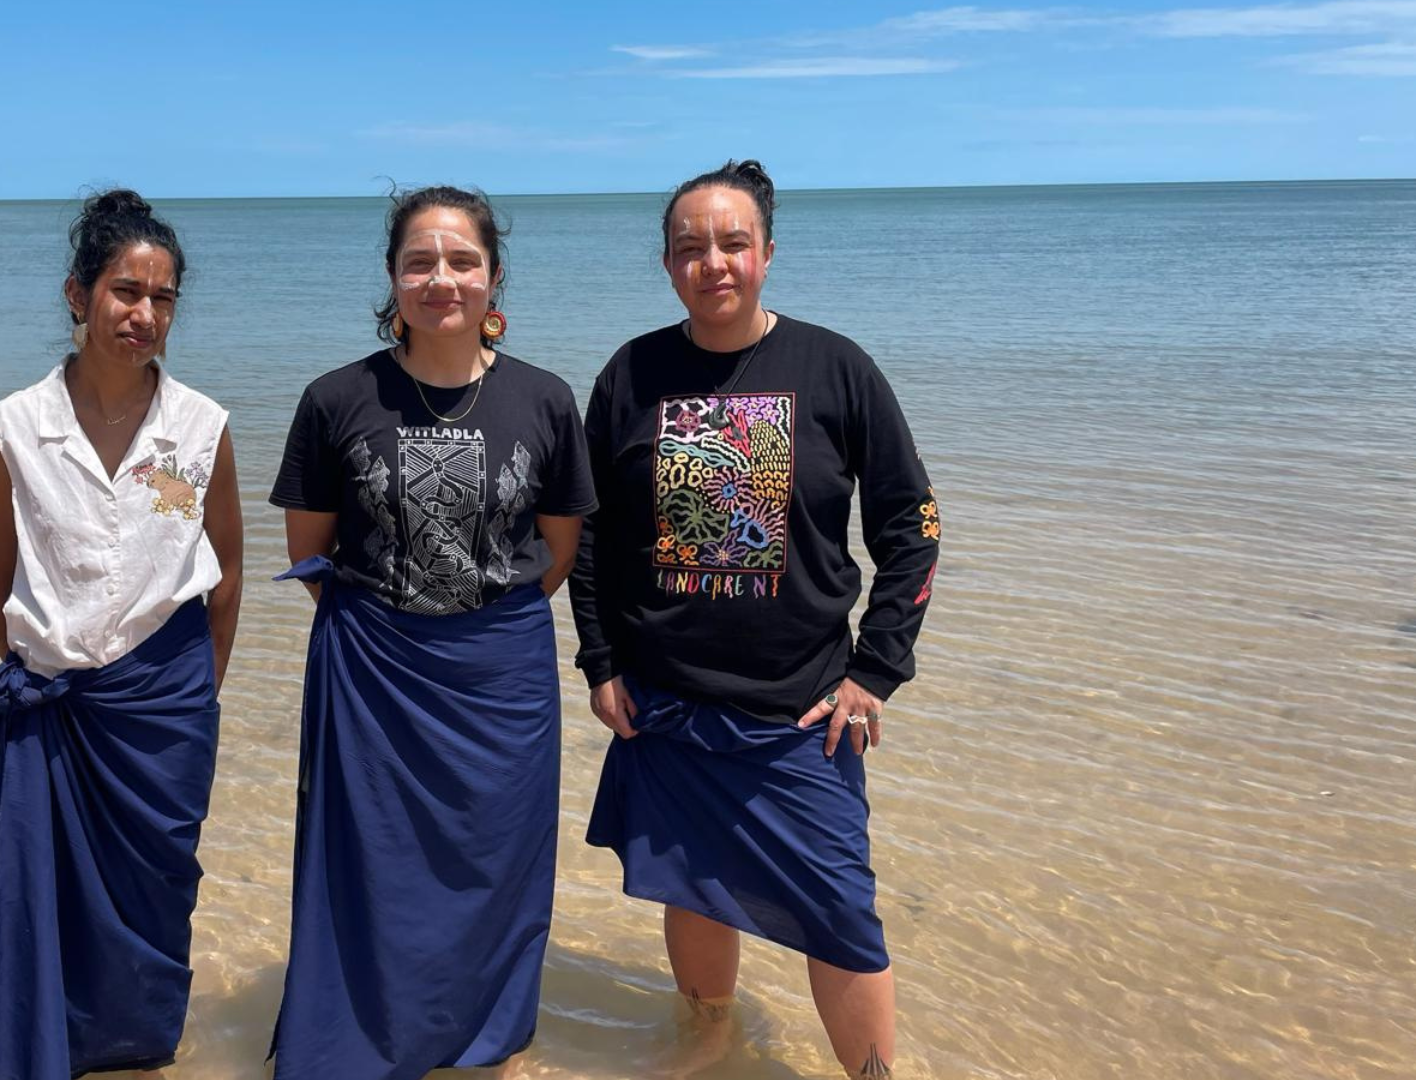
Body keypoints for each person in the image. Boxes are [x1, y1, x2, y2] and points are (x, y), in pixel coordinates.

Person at [570, 160, 940, 1080]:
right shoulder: (632, 374)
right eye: (690, 247)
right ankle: (705, 1047)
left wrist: (876, 669)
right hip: (666, 704)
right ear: (666, 264)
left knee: (842, 912)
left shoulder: (835, 367)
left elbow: (913, 524)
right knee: (688, 885)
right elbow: (591, 539)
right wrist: (602, 662)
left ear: (768, 253)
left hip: (801, 712)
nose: (713, 262)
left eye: (733, 242)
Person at [268, 184, 596, 1079]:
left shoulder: (545, 397)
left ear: (493, 278)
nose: (440, 279)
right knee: (370, 863)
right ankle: (360, 1039)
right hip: (372, 671)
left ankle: (485, 1044)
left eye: (461, 261)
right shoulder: (336, 398)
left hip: (501, 678)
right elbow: (312, 552)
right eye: (420, 261)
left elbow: (557, 552)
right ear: (392, 278)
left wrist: (474, 628)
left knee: (495, 864)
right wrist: (395, 628)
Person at [0, 189, 243, 1079]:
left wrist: (192, 696)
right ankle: (51, 1042)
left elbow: (222, 575)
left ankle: (141, 1046)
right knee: (45, 901)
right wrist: (50, 664)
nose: (144, 314)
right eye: (125, 291)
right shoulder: (15, 428)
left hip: (166, 709)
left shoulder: (201, 428)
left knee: (159, 891)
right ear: (79, 295)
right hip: (58, 705)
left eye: (163, 298)